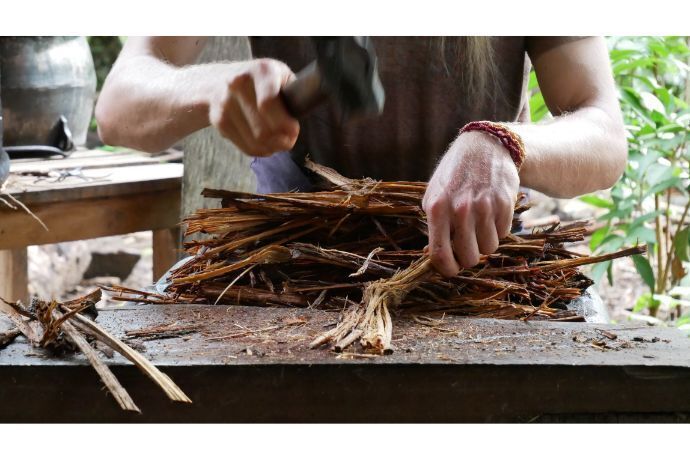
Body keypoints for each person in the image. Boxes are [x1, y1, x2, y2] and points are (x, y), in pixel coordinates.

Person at [96, 37, 627, 278]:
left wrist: (503, 142)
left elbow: (604, 134)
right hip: (296, 259)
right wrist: (209, 87)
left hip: (474, 260)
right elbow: (119, 104)